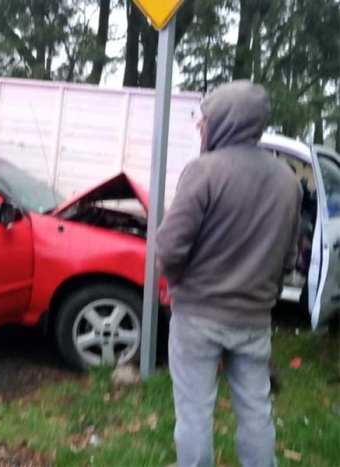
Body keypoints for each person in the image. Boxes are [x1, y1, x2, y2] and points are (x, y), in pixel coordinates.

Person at [155, 80, 302, 467]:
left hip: (197, 318)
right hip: (254, 320)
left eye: (205, 118)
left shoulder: (204, 171)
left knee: (195, 413)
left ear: (225, 121)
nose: (200, 126)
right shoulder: (288, 180)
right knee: (256, 411)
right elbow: (289, 260)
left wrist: (172, 281)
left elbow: (169, 248)